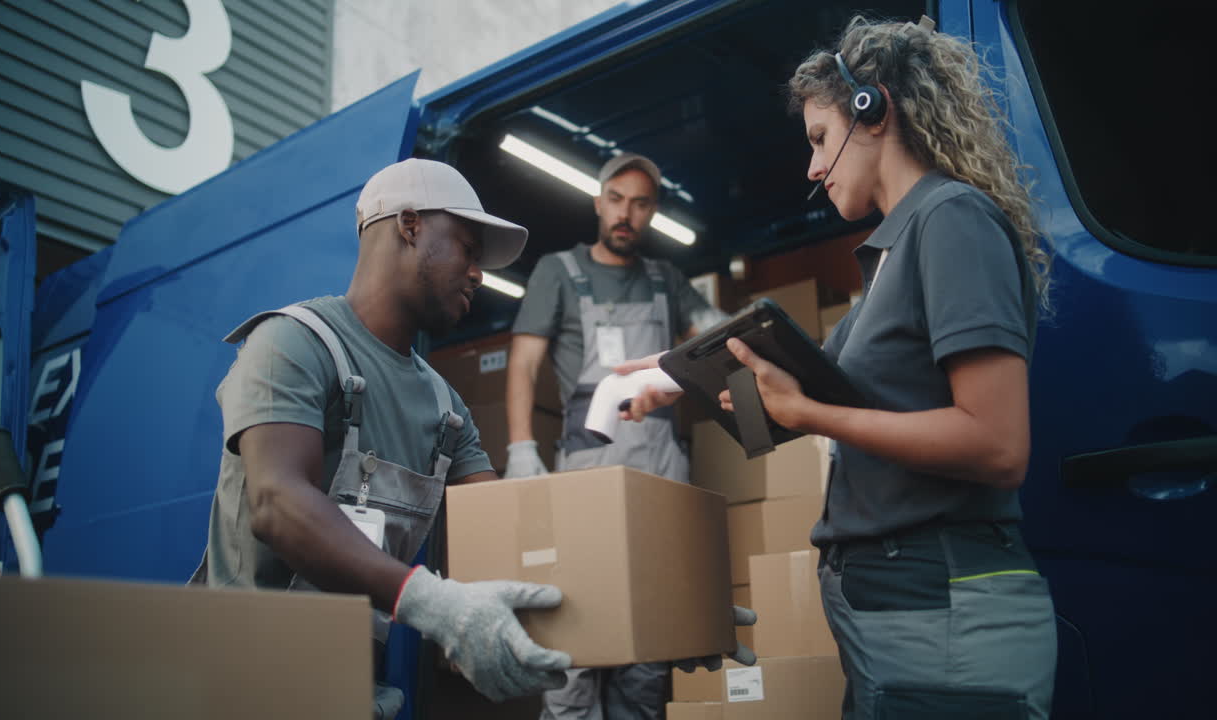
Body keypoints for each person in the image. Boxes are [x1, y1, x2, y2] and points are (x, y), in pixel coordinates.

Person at [624, 14, 1059, 720]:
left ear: (874, 108)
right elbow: (825, 394)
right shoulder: (892, 251)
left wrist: (812, 413)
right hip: (898, 616)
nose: (813, 167)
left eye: (820, 139)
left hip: (939, 616)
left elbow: (998, 444)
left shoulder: (951, 220)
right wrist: (684, 374)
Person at [190, 159, 572, 720]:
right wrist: (429, 601)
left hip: (354, 698)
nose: (478, 274)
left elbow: (506, 536)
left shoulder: (446, 408)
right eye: (468, 247)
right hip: (244, 691)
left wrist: (653, 608)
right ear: (410, 224)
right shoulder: (292, 344)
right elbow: (276, 503)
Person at [503, 153, 729, 720]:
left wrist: (740, 331)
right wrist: (520, 447)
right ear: (598, 200)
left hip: (657, 474)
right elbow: (524, 363)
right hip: (586, 471)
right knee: (574, 630)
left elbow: (717, 336)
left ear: (653, 211)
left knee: (647, 637)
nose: (626, 212)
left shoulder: (666, 280)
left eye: (642, 202)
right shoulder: (559, 271)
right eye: (616, 198)